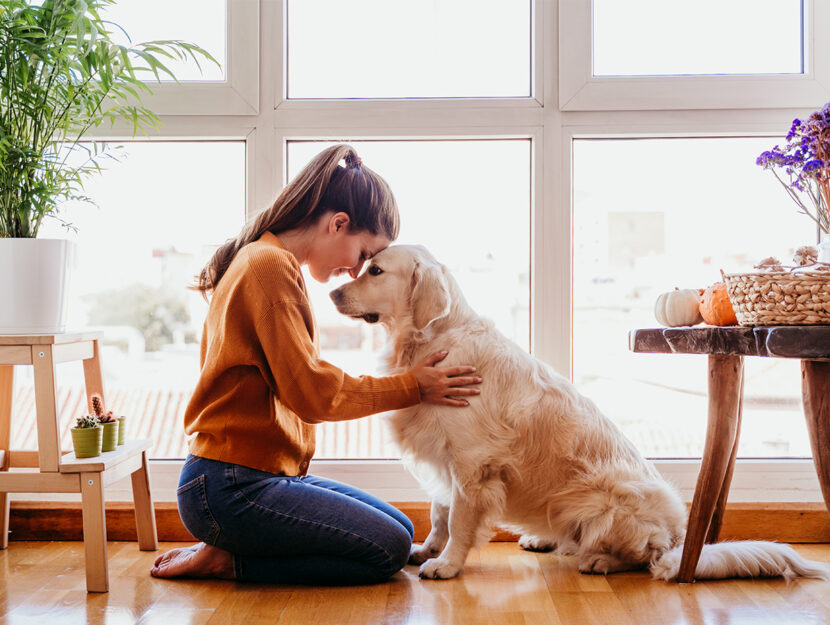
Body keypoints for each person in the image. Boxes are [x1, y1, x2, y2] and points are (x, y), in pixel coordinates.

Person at [150, 144, 481, 585]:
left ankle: (232, 543)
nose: (355, 271)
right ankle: (230, 559)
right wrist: (412, 386)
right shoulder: (268, 267)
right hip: (229, 487)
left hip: (252, 478)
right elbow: (313, 394)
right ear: (337, 223)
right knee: (387, 550)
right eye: (364, 254)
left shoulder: (267, 259)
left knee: (402, 530)